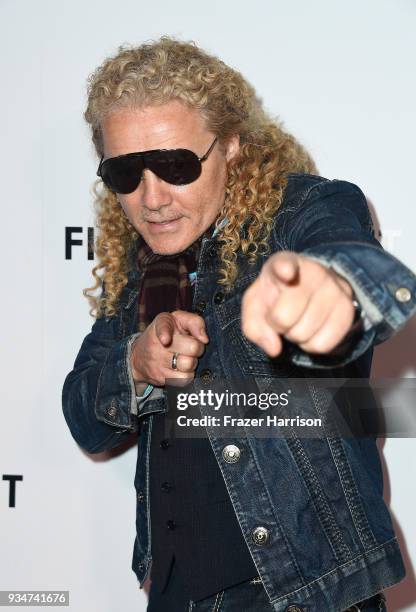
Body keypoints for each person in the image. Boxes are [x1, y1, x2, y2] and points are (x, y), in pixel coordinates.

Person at [62, 36, 416, 612]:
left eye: (175, 165)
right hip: (178, 596)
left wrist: (331, 291)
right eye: (126, 173)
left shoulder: (299, 213)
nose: (151, 198)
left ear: (230, 147)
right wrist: (135, 362)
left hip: (303, 595)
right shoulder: (137, 276)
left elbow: (344, 257)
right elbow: (83, 415)